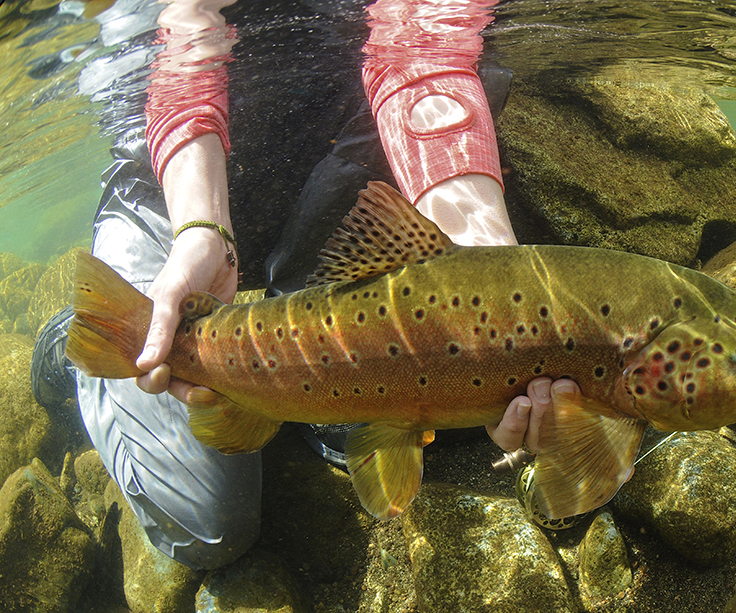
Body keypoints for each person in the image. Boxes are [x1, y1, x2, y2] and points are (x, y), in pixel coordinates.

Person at [34, 0, 576, 570]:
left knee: (460, 384)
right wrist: (200, 230)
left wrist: (478, 244)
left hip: (325, 176)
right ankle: (85, 338)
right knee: (209, 527)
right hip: (171, 191)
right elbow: (184, 52)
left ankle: (270, 349)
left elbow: (420, 48)